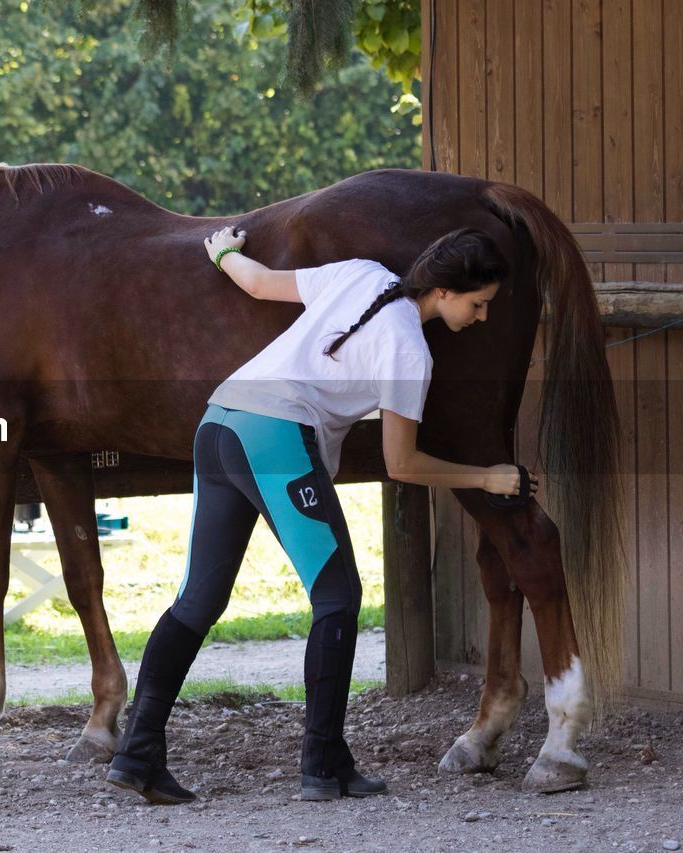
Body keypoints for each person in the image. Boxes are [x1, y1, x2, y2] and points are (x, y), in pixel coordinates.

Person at [105, 226, 538, 805]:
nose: (480, 317)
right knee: (337, 597)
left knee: (198, 600)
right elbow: (402, 463)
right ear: (444, 290)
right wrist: (486, 477)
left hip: (219, 422)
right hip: (273, 436)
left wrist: (224, 252)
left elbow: (259, 284)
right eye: (478, 303)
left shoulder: (360, 272)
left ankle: (136, 756)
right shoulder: (408, 348)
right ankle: (323, 763)